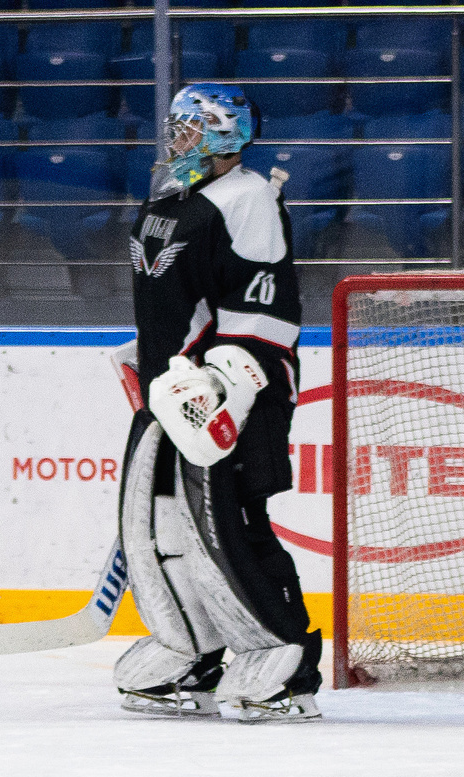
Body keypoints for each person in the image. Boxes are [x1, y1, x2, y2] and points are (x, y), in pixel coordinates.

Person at [112, 83, 322, 725]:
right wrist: (150, 355)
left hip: (232, 393)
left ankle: (284, 665)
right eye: (176, 126)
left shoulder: (249, 198)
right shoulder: (171, 197)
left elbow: (266, 310)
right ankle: (194, 653)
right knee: (167, 533)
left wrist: (229, 380)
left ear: (224, 136)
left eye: (189, 127)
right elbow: (175, 296)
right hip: (172, 388)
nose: (176, 137)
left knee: (233, 530)